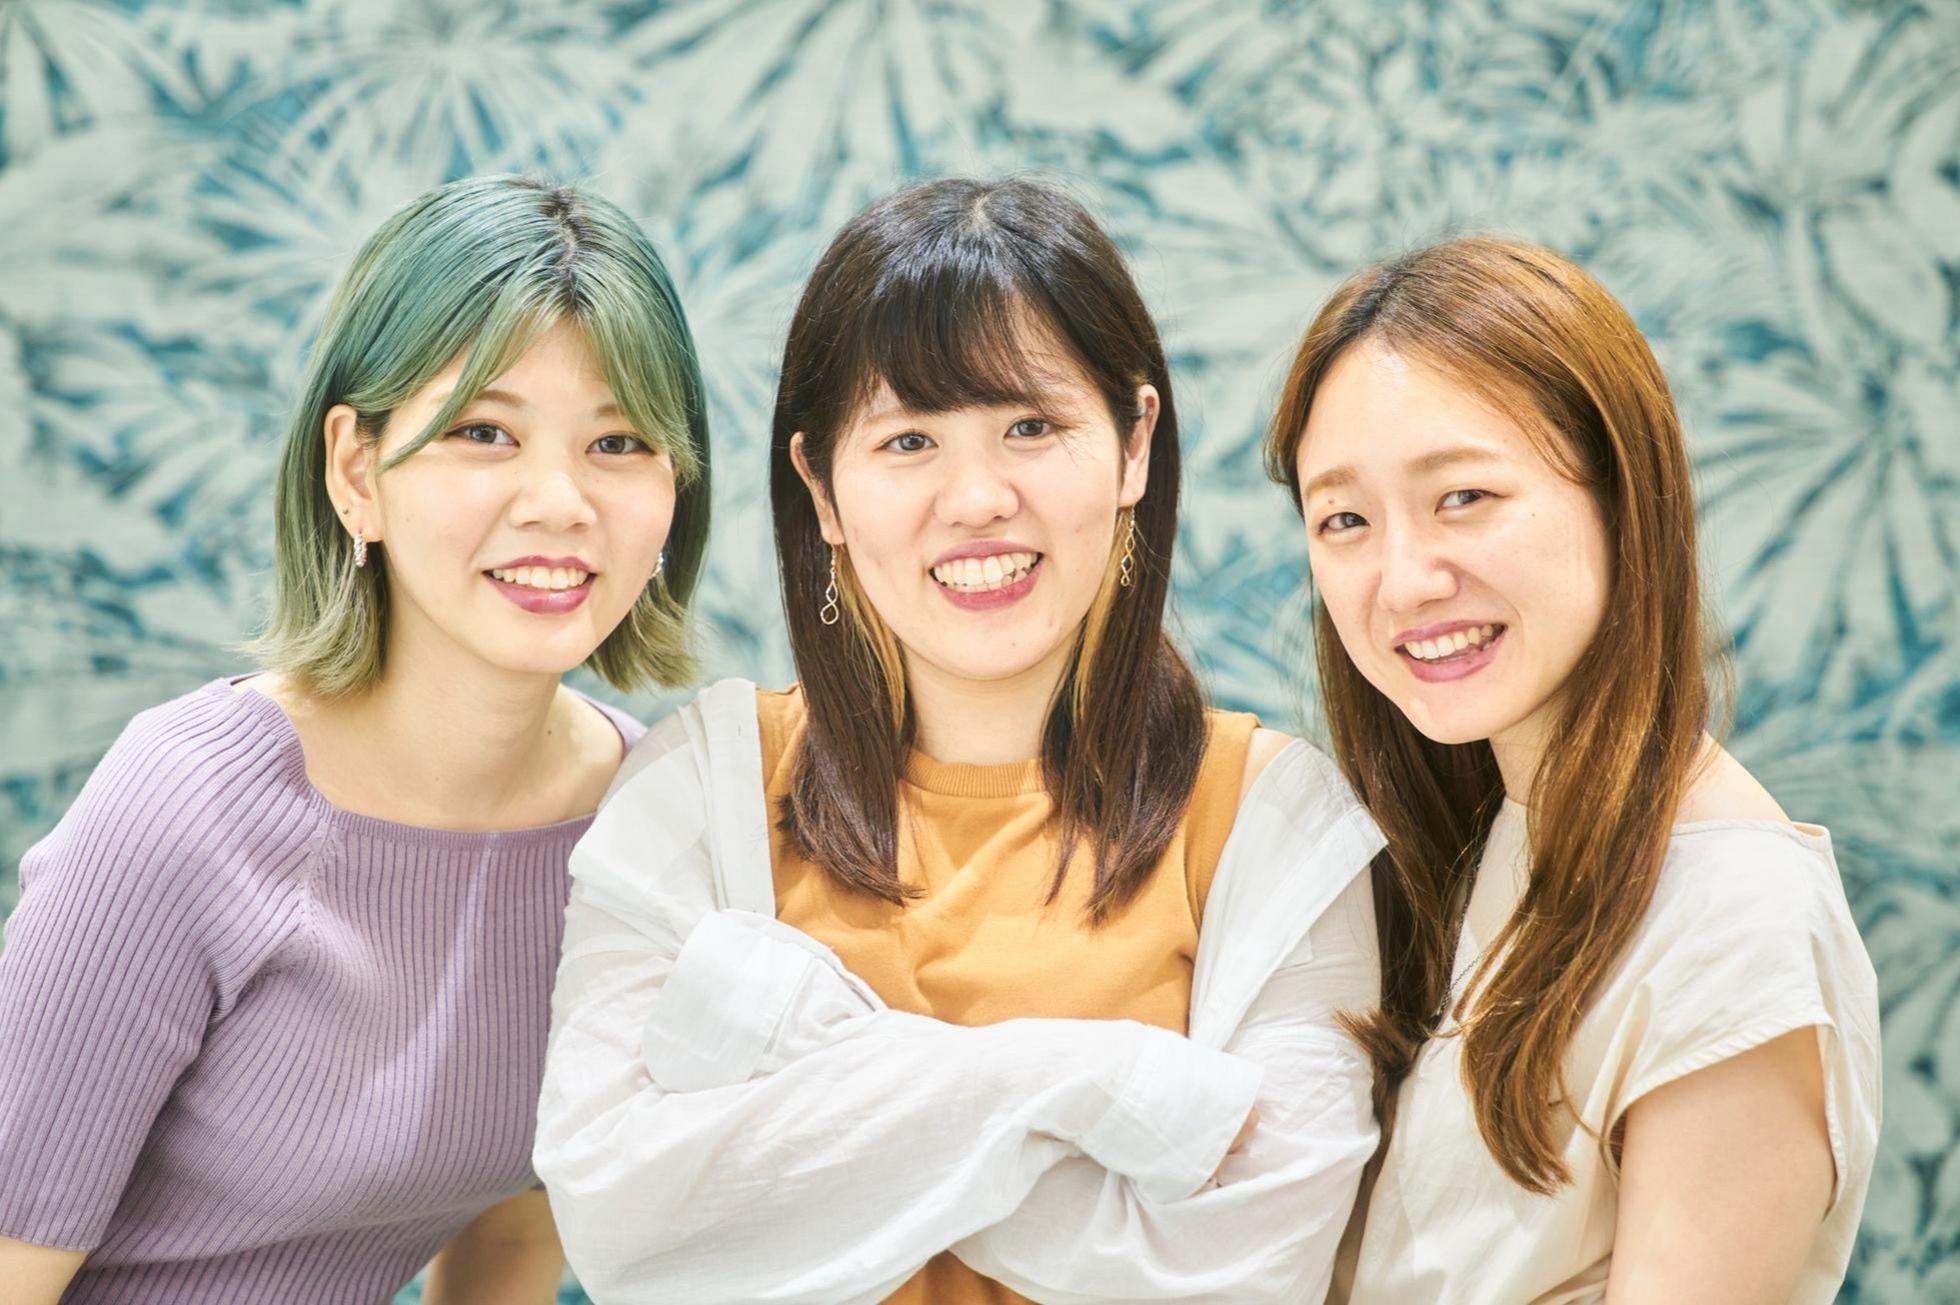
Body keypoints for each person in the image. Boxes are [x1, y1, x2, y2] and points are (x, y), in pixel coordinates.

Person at [535, 175, 1384, 1304]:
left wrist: (798, 1044)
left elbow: (1251, 1269)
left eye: (1031, 426)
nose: (977, 497)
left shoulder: (1276, 817)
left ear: (1134, 445)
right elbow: (623, 1224)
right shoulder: (700, 783)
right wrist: (1105, 1084)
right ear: (821, 489)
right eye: (909, 441)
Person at [0, 174, 712, 1303]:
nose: (559, 501)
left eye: (618, 442)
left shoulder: (637, 818)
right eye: (484, 431)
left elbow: (515, 1229)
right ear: (355, 470)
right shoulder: (184, 806)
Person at [1265, 236, 1881, 1303]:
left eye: (1464, 496)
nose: (1403, 581)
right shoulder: (1491, 840)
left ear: (1620, 493)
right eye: (1345, 520)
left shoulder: (1733, 918)